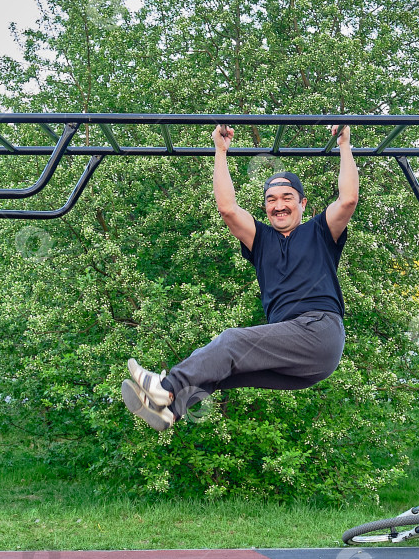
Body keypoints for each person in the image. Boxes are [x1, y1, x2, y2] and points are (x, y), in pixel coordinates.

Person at [121, 123, 359, 430]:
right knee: (223, 370)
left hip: (318, 333)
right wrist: (221, 151)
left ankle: (166, 386)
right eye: (271, 200)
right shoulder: (260, 240)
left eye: (287, 197)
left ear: (302, 204)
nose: (279, 205)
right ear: (265, 207)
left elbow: (348, 199)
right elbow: (228, 208)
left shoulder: (319, 231)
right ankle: (170, 410)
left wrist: (344, 145)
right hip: (302, 358)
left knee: (231, 342)